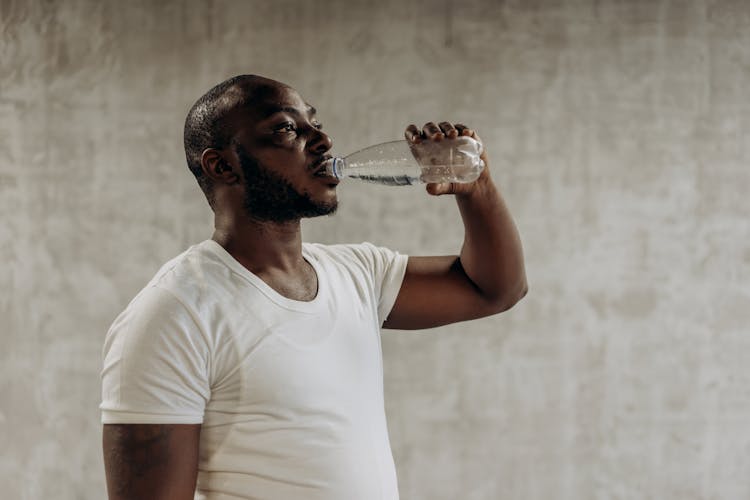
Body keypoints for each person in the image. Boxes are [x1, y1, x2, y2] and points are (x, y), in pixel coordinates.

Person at [100, 74, 527, 500]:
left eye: (314, 122)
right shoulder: (175, 314)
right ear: (222, 165)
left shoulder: (356, 273)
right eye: (286, 128)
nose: (321, 140)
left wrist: (478, 189)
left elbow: (495, 289)